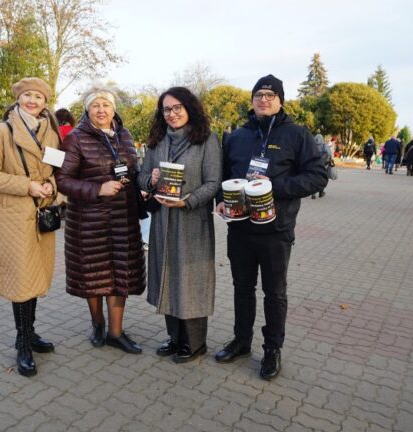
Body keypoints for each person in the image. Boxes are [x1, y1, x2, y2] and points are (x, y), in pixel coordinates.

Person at [214, 74, 327, 380]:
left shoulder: (297, 135)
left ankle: (272, 350)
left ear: (280, 100)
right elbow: (223, 174)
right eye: (258, 94)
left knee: (274, 293)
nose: (263, 99)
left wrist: (274, 186)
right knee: (242, 288)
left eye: (270, 94)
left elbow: (317, 176)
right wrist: (220, 200)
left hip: (276, 230)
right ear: (252, 100)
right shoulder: (237, 136)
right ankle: (241, 341)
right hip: (240, 227)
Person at [55, 86, 146, 354]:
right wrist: (98, 189)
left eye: (106, 104)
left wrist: (142, 182)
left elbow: (132, 169)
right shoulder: (75, 138)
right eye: (95, 105)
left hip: (123, 218)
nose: (101, 110)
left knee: (121, 275)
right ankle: (98, 324)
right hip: (88, 220)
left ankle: (116, 333)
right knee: (94, 276)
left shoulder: (125, 136)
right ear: (87, 109)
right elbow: (63, 180)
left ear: (114, 108)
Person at [0, 77, 61, 377]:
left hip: (43, 215)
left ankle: (31, 332)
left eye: (38, 97)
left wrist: (50, 187)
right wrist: (27, 186)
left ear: (45, 102)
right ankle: (23, 342)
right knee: (22, 281)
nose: (32, 101)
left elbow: (56, 172)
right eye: (27, 95)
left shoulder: (50, 133)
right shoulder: (3, 131)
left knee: (35, 277)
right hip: (14, 216)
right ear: (17, 99)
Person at [137, 87, 222, 363]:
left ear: (189, 108)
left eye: (177, 108)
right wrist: (150, 180)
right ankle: (175, 338)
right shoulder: (156, 140)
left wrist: (188, 201)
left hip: (191, 222)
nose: (172, 114)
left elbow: (213, 183)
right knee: (167, 275)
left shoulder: (206, 139)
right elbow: (141, 178)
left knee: (191, 280)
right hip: (162, 221)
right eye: (166, 109)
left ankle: (195, 343)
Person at [311, 134, 332, 199]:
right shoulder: (324, 145)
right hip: (323, 164)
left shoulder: (312, 145)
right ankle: (321, 192)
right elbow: (329, 153)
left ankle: (313, 193)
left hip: (314, 164)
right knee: (322, 178)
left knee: (314, 178)